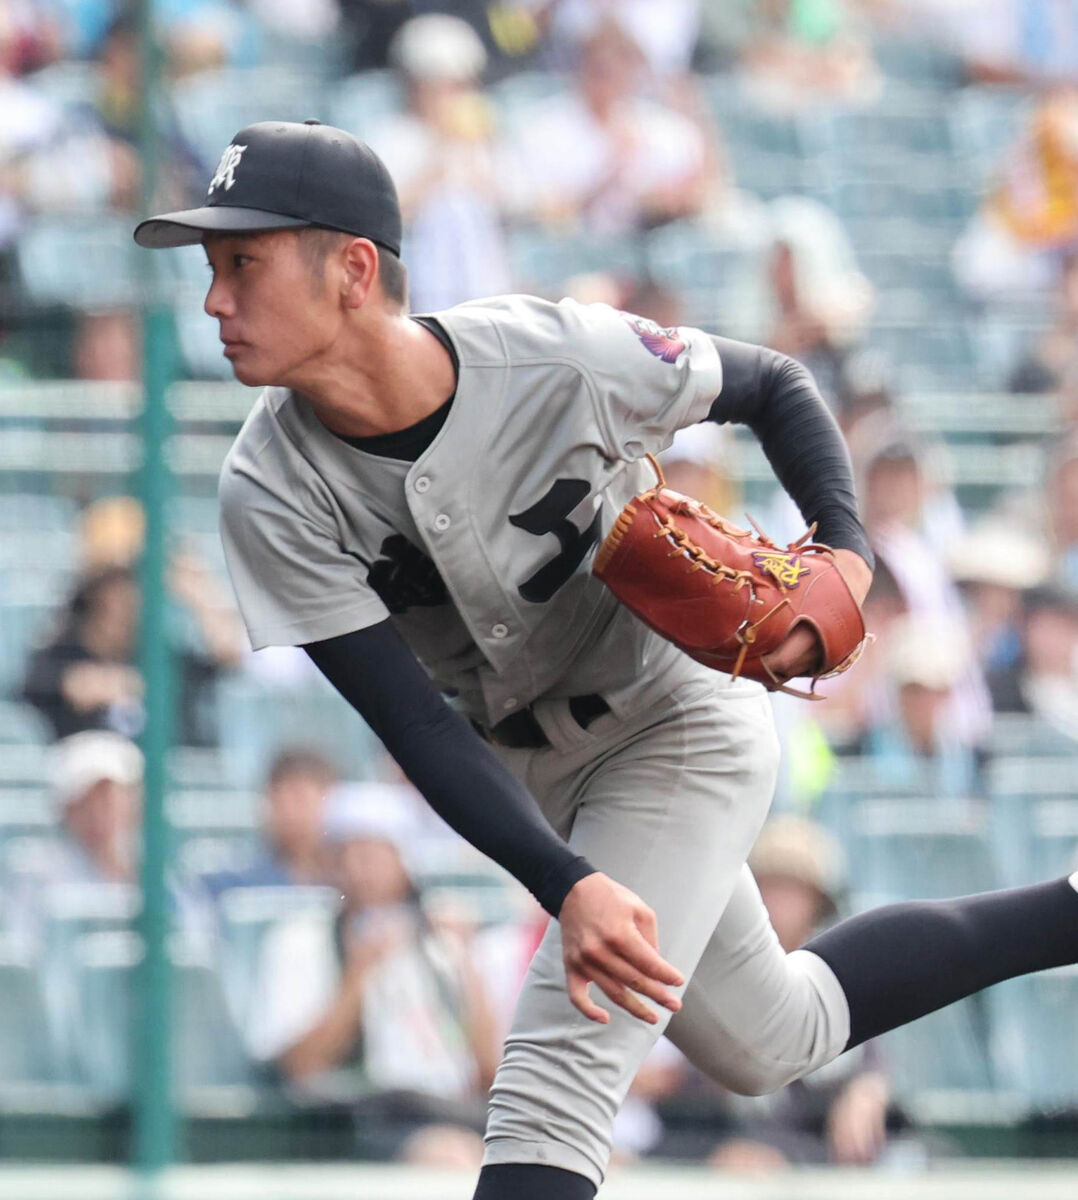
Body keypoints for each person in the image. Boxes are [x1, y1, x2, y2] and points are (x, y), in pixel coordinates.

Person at [135, 120, 1078, 1200]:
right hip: (536, 772)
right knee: (772, 1034)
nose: (213, 300)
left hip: (676, 723)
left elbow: (770, 385)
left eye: (242, 264)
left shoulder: (549, 353)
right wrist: (563, 878)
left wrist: (847, 554)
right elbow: (414, 725)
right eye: (212, 268)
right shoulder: (268, 487)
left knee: (554, 1072)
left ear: (353, 269)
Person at [245, 780, 500, 1167]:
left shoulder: (439, 941)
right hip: (348, 1123)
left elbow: (489, 1074)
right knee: (450, 1158)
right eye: (344, 853)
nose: (356, 869)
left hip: (447, 1111)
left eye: (372, 853)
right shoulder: (300, 938)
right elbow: (299, 1068)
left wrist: (465, 961)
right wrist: (359, 974)